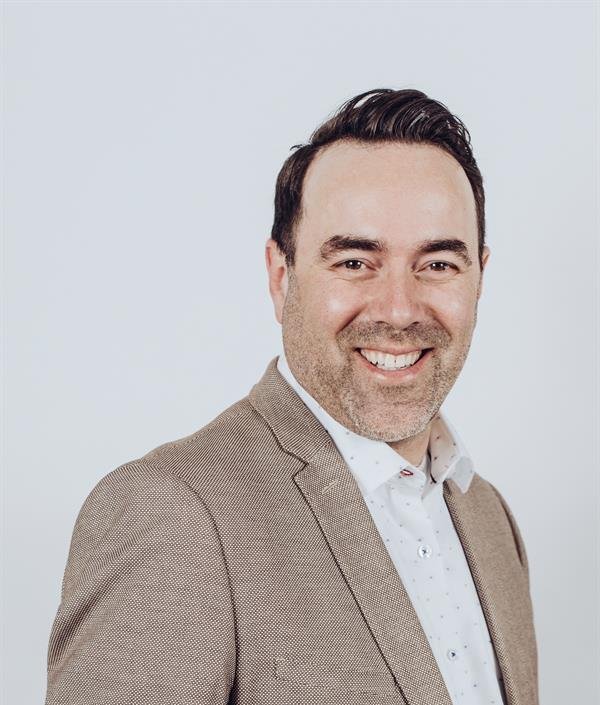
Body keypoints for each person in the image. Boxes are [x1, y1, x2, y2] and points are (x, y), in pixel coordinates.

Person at [45, 88, 538, 705]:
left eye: (438, 264)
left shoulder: (489, 518)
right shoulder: (172, 517)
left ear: (479, 278)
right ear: (282, 278)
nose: (399, 310)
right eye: (355, 262)